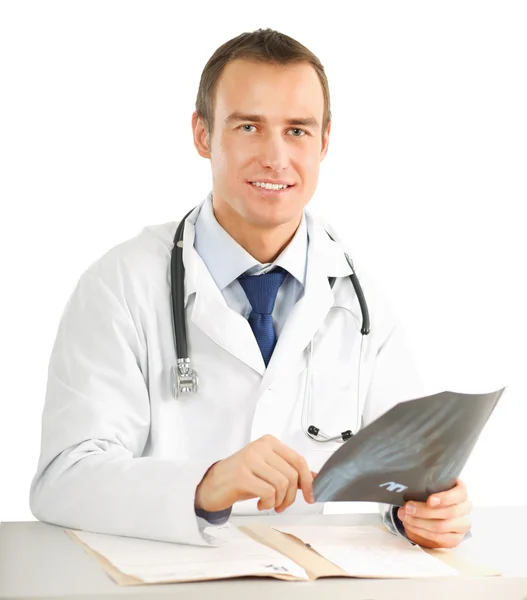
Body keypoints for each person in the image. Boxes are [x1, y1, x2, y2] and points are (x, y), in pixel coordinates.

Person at [30, 28, 472, 549]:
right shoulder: (120, 286)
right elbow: (64, 480)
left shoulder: (360, 300)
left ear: (325, 142)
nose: (275, 157)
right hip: (170, 582)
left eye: (298, 131)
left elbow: (412, 478)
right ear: (202, 134)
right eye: (248, 126)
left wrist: (427, 515)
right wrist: (205, 484)